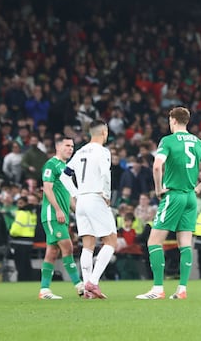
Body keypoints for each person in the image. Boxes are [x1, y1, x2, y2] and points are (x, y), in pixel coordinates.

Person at [137, 107, 201, 300]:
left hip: (174, 195)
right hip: (191, 197)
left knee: (154, 241)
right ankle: (182, 289)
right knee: (185, 243)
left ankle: (158, 289)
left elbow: (157, 166)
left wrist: (158, 189)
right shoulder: (198, 142)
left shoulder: (168, 141)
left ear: (173, 120)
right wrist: (199, 189)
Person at [69, 120, 118, 299]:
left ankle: (87, 290)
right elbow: (105, 173)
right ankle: (93, 282)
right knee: (111, 240)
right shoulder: (103, 151)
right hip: (96, 197)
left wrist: (75, 194)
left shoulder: (80, 151)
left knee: (88, 244)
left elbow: (65, 175)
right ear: (104, 132)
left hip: (81, 200)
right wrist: (107, 194)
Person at [39, 136, 85, 299]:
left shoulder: (65, 167)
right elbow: (47, 188)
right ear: (58, 147)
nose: (70, 149)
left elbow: (68, 196)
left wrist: (79, 212)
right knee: (68, 248)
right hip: (52, 215)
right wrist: (58, 210)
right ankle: (80, 286)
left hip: (62, 216)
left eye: (72, 146)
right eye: (67, 145)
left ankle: (44, 290)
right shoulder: (51, 164)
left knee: (52, 252)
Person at [8, 194, 38, 281]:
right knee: (27, 263)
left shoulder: (21, 213)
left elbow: (15, 229)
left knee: (20, 265)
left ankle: (21, 280)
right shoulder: (32, 214)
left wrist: (11, 233)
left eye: (20, 203)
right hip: (29, 242)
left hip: (19, 242)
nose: (18, 205)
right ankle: (28, 279)